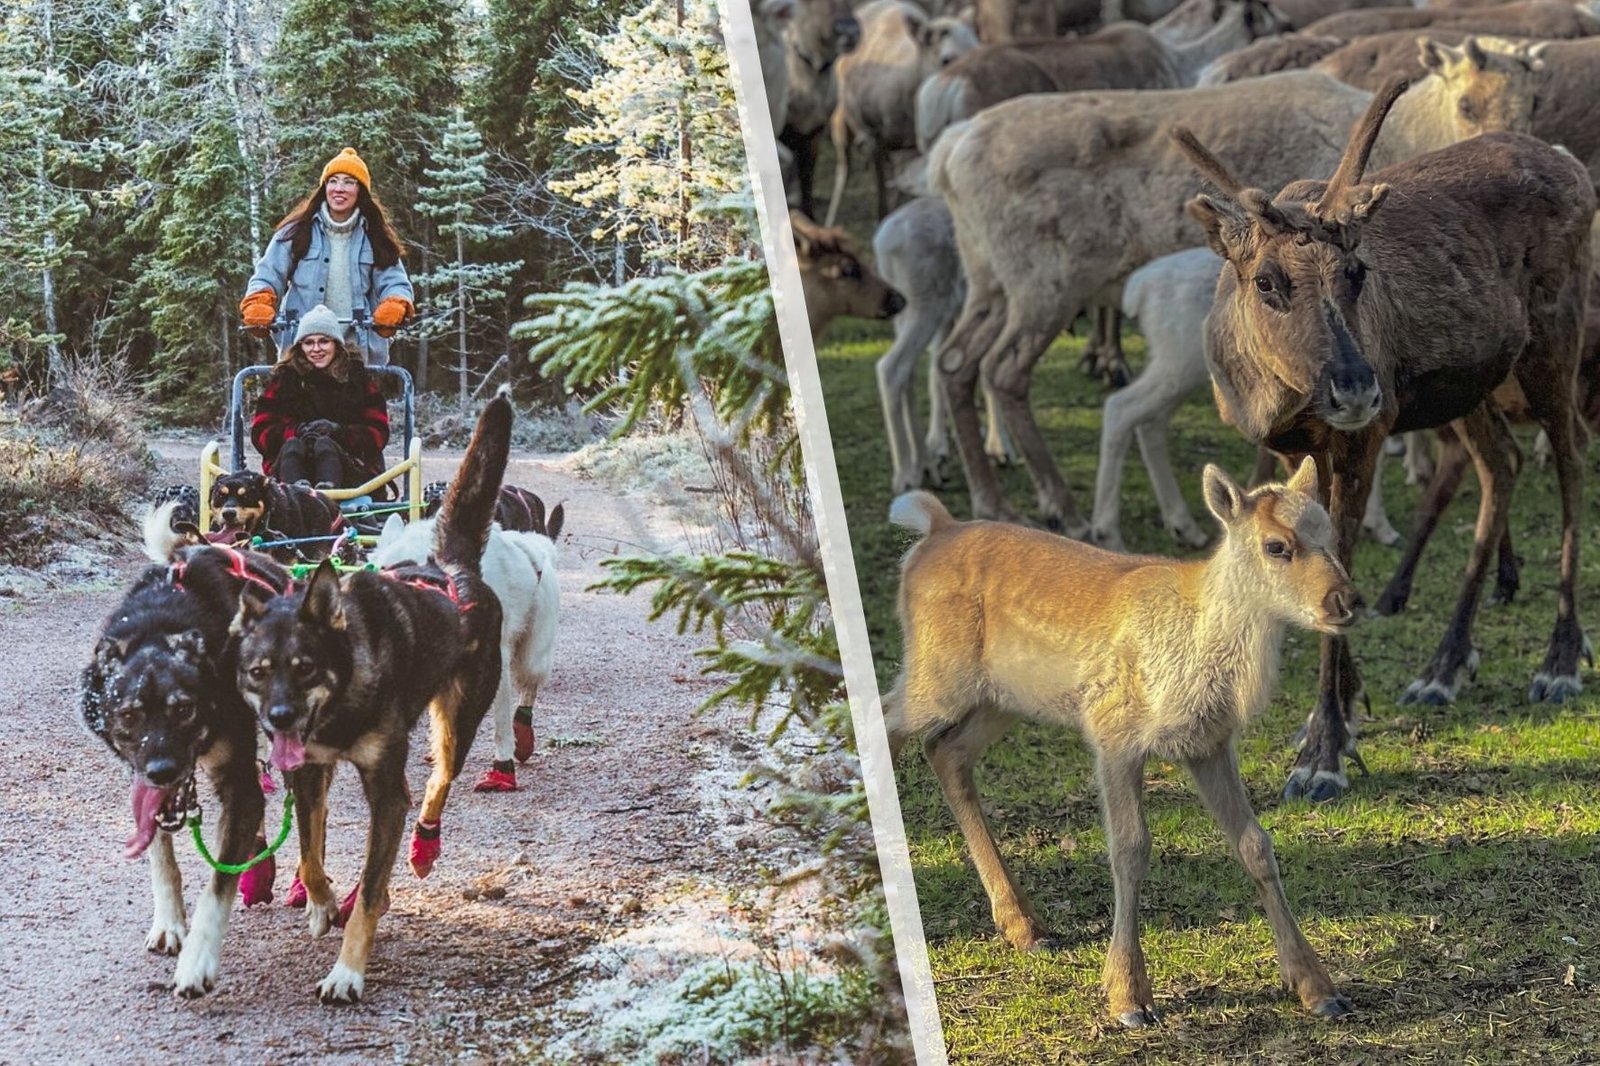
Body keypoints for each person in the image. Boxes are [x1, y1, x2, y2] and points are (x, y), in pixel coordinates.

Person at [240, 147, 414, 366]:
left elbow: (395, 282)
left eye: (349, 182)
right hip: (303, 348)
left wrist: (395, 304)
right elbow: (268, 274)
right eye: (333, 181)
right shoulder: (295, 232)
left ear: (361, 190)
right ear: (324, 188)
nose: (339, 188)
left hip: (357, 351)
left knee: (360, 401)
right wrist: (258, 301)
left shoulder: (376, 236)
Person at [252, 305, 390, 492]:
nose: (316, 349)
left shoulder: (357, 380)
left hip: (349, 466)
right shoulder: (284, 381)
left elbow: (378, 432)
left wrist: (340, 432)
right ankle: (298, 495)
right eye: (309, 342)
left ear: (336, 344)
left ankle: (327, 494)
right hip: (289, 465)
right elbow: (261, 432)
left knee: (326, 445)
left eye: (324, 341)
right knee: (293, 446)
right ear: (300, 346)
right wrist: (295, 432)